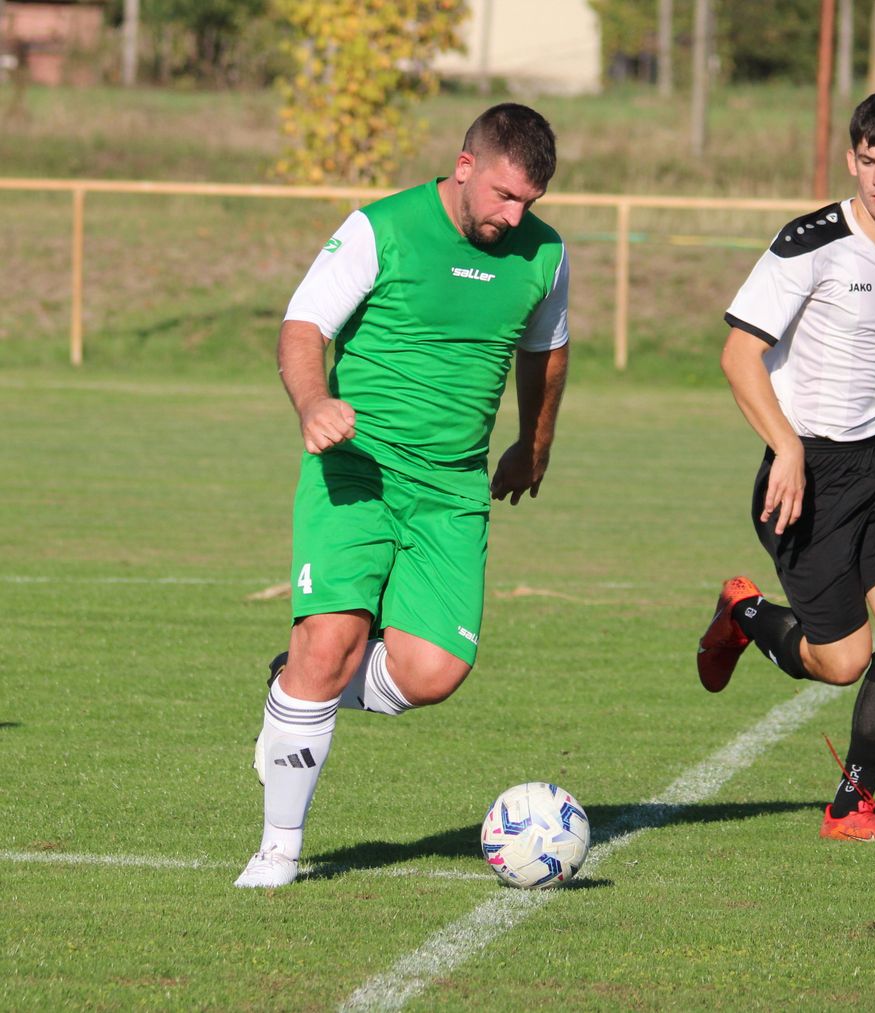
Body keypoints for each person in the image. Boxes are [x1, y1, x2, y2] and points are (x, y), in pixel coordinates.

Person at [236, 103, 570, 888]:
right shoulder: (379, 228)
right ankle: (278, 849)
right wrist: (314, 404)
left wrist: (534, 444)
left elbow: (547, 352)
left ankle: (295, 693)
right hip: (356, 465)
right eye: (501, 195)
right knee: (332, 640)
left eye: (528, 202)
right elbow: (302, 327)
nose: (511, 215)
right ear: (465, 165)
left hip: (451, 485)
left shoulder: (545, 254)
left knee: (432, 671)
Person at [697, 91, 875, 845]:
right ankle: (744, 612)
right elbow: (739, 355)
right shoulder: (810, 242)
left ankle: (851, 806)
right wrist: (787, 448)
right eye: (869, 161)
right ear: (852, 159)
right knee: (840, 660)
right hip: (808, 469)